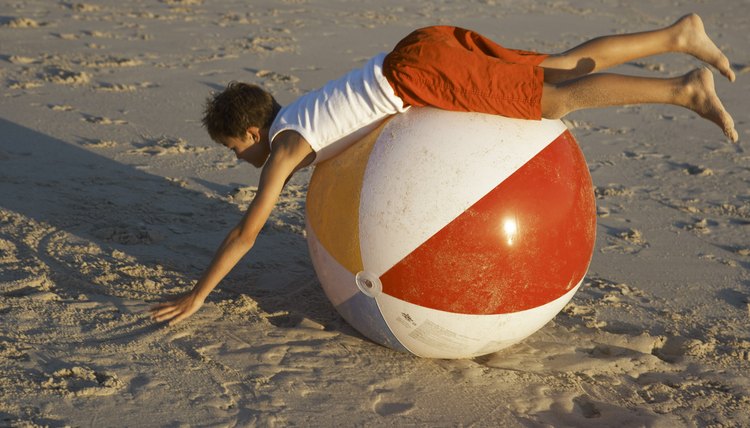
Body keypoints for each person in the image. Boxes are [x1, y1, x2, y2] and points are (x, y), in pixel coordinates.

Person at [150, 13, 737, 326]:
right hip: (417, 51)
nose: (241, 160)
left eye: (235, 150)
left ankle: (683, 89)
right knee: (556, 68)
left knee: (554, 102)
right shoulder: (300, 112)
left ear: (253, 133)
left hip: (418, 74)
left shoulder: (282, 150)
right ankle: (678, 34)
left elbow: (245, 233)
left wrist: (199, 296)